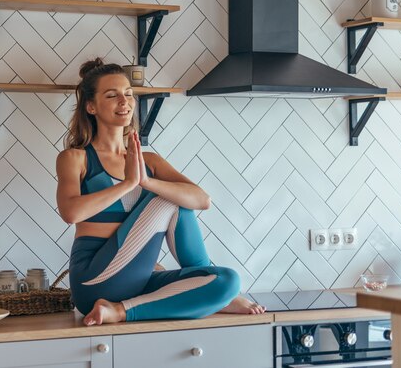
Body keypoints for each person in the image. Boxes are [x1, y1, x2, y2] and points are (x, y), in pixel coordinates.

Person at [56, 58, 266, 326]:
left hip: (135, 280)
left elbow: (202, 200)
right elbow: (71, 213)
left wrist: (146, 181)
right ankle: (208, 299)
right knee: (168, 200)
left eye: (128, 94)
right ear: (91, 106)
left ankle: (120, 310)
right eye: (112, 95)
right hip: (94, 280)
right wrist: (128, 183)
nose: (125, 101)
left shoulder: (149, 161)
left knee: (227, 281)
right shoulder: (75, 158)